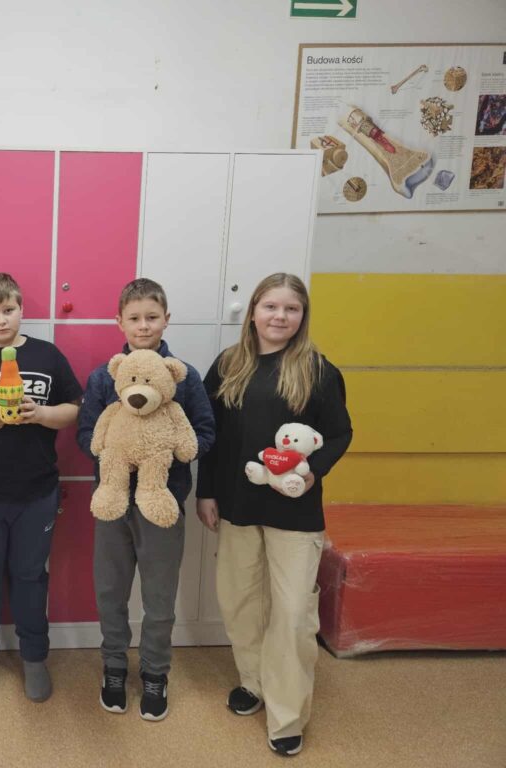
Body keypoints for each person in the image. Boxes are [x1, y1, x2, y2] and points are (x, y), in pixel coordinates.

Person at [195, 272, 352, 758]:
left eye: (291, 309)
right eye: (271, 307)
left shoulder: (318, 371)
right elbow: (210, 434)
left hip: (295, 511)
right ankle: (253, 682)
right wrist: (206, 492)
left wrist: (311, 473)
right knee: (240, 602)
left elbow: (340, 433)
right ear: (253, 312)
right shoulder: (229, 365)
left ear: (302, 316)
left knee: (292, 614)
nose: (280, 316)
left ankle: (286, 716)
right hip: (237, 505)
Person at [77, 277, 215, 721]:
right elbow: (86, 433)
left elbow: (205, 432)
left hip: (163, 502)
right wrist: (117, 449)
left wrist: (166, 449)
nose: (143, 326)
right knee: (110, 591)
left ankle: (155, 672)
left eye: (151, 317)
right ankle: (114, 667)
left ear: (166, 320)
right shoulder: (105, 376)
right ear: (119, 321)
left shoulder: (183, 376)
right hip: (112, 500)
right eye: (134, 318)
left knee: (159, 597)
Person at [0, 272, 82, 703]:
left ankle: (34, 655)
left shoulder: (47, 355)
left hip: (36, 491)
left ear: (22, 309)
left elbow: (75, 409)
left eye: (9, 310)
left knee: (30, 575)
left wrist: (41, 414)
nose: (1, 319)